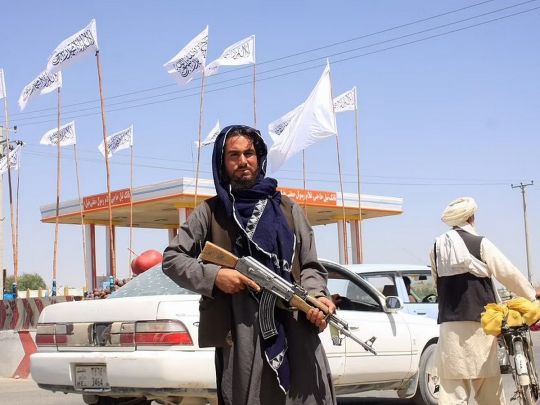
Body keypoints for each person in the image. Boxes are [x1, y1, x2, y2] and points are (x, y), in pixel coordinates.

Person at [162, 125, 337, 405]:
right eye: (234, 155)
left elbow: (311, 266)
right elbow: (173, 259)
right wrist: (216, 276)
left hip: (296, 326)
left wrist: (317, 297)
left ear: (259, 157)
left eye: (249, 153)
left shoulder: (288, 209)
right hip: (240, 330)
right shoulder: (211, 212)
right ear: (222, 162)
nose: (243, 161)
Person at [430, 196, 536, 405]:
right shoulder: (480, 243)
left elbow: (436, 282)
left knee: (452, 389)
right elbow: (508, 273)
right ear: (471, 218)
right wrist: (531, 296)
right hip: (482, 324)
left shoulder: (437, 247)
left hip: (450, 324)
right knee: (488, 387)